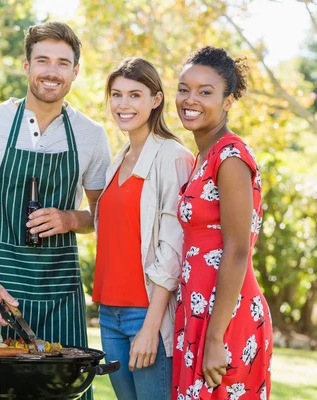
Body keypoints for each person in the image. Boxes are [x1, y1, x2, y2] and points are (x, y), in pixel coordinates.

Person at [0, 21, 111, 399]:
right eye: (42, 60)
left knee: (65, 391)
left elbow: (103, 217)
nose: (51, 71)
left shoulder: (91, 136)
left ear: (75, 70)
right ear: (26, 66)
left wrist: (71, 218)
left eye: (62, 62)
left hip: (61, 291)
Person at [173, 46, 273, 400]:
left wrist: (214, 339)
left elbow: (237, 249)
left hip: (226, 318)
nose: (190, 99)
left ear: (228, 101)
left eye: (205, 91)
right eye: (184, 88)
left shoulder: (231, 156)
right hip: (198, 315)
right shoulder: (204, 154)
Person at [93, 57, 193, 400]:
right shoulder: (117, 160)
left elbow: (173, 247)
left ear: (156, 99)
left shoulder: (173, 157)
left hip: (145, 312)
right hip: (109, 314)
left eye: (135, 95)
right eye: (117, 95)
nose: (124, 104)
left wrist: (151, 325)